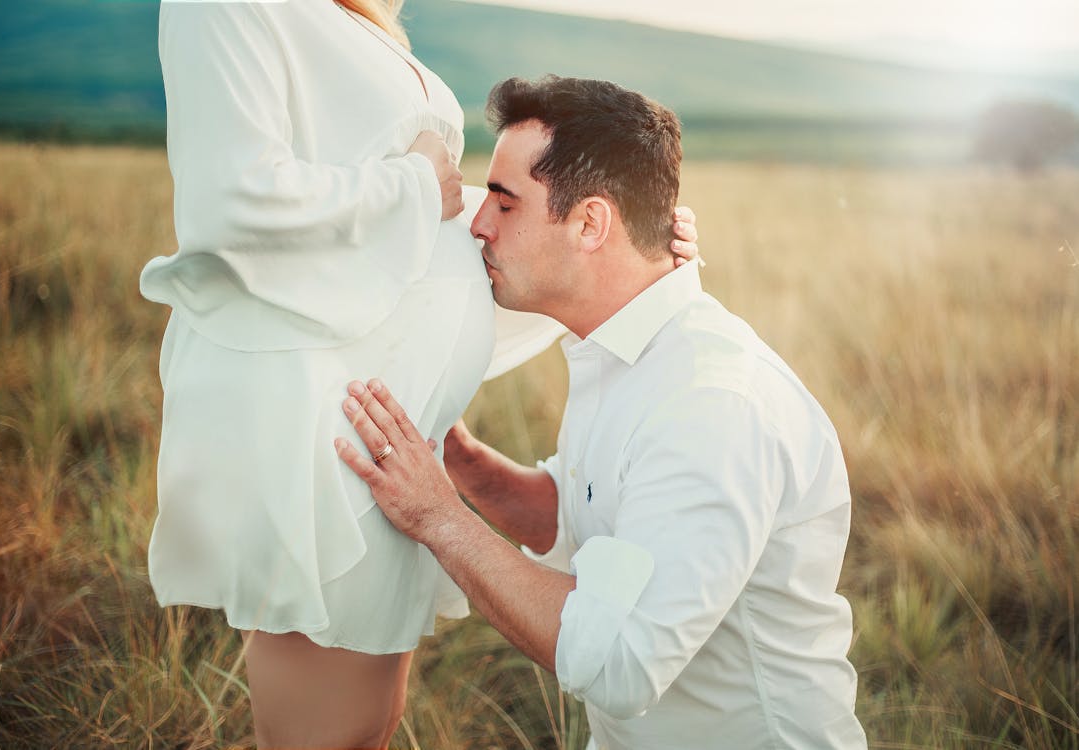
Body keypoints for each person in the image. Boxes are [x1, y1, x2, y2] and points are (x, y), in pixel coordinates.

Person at [138, 2, 698, 747]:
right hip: (324, 422)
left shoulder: (355, 21)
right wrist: (408, 185)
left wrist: (629, 252)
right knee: (326, 731)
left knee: (365, 721)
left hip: (389, 425)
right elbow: (230, 201)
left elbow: (416, 251)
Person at [336, 75, 868, 749]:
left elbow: (618, 662)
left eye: (503, 202)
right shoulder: (618, 352)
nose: (477, 223)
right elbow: (590, 517)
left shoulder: (709, 404)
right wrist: (460, 463)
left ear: (590, 223)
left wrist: (437, 516)